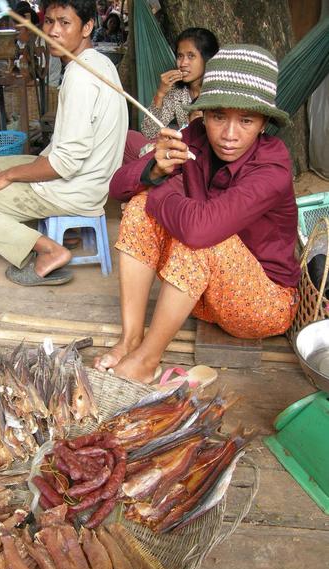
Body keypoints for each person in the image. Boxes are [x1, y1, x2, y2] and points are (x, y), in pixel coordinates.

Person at [94, 44, 300, 383]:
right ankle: (129, 339)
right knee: (137, 209)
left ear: (263, 122)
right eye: (219, 117)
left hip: (262, 306)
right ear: (204, 115)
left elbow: (201, 230)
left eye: (246, 120)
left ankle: (147, 360)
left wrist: (157, 192)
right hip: (205, 297)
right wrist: (155, 171)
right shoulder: (193, 139)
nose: (229, 135)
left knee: (199, 236)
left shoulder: (273, 166)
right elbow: (117, 187)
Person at [0, 0, 128, 287]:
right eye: (49, 22)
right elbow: (65, 150)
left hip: (75, 189)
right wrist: (9, 172)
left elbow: (65, 164)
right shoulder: (98, 62)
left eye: (65, 23)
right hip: (88, 179)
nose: (54, 31)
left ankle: (49, 250)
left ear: (87, 27)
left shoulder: (81, 78)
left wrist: (9, 176)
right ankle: (60, 233)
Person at [124, 27, 218, 163]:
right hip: (177, 151)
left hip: (202, 157)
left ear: (207, 59)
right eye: (180, 56)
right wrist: (160, 93)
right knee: (130, 137)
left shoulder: (216, 93)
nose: (183, 63)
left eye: (191, 56)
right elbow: (149, 133)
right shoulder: (177, 92)